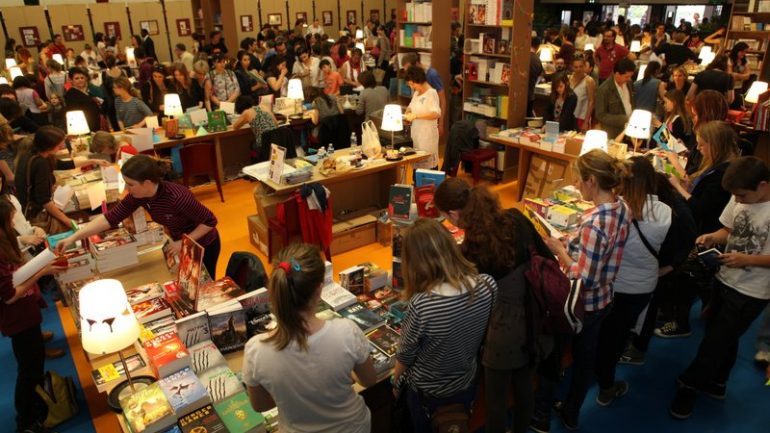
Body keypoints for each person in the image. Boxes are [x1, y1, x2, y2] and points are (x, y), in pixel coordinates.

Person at [433, 178, 553, 433]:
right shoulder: (515, 218)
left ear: (454, 214)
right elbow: (546, 257)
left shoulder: (471, 250)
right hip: (534, 318)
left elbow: (468, 303)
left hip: (502, 333)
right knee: (524, 388)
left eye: (445, 216)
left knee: (496, 400)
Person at [531, 149, 630, 431]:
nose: (576, 186)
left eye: (578, 180)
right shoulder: (621, 207)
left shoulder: (595, 224)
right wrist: (572, 240)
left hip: (579, 304)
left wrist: (560, 250)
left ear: (591, 181)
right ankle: (572, 411)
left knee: (554, 357)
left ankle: (539, 417)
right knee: (585, 358)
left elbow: (584, 276)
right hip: (604, 299)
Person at [670, 156, 770, 419]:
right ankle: (717, 383)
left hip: (752, 292)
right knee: (721, 336)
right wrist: (713, 237)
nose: (738, 201)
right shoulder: (737, 195)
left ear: (762, 185)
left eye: (742, 195)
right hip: (724, 278)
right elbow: (728, 228)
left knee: (715, 342)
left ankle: (688, 385)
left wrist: (746, 259)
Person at [242, 243, 377, 432]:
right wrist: (347, 373)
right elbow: (369, 380)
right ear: (319, 290)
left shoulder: (255, 349)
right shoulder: (346, 332)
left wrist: (290, 392)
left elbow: (260, 406)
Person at [393, 218, 497, 432]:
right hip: (466, 382)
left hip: (426, 394)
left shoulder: (421, 306)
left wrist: (395, 384)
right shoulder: (487, 285)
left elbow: (404, 358)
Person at [56, 154, 221, 277]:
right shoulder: (138, 196)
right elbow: (110, 218)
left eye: (131, 184)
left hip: (204, 244)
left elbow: (210, 221)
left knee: (204, 283)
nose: (127, 188)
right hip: (180, 242)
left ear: (147, 183)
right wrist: (73, 238)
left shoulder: (177, 197)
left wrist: (184, 242)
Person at [594, 156, 672, 405]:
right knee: (620, 333)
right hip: (643, 285)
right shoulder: (664, 212)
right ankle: (607, 379)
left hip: (614, 283)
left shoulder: (616, 211)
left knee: (604, 333)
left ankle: (603, 382)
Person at [0, 199, 65, 433]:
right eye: (9, 220)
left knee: (34, 362)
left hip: (25, 313)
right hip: (17, 317)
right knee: (29, 368)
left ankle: (37, 408)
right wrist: (42, 271)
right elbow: (9, 296)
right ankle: (26, 422)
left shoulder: (5, 244)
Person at [15, 127, 109, 233]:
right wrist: (67, 221)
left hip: (31, 208)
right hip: (38, 215)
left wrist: (93, 160)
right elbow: (44, 200)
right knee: (82, 217)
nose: (63, 146)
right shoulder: (40, 163)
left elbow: (62, 164)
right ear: (49, 146)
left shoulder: (31, 154)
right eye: (59, 144)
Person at [404, 66, 441, 170]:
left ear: (419, 80)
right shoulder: (416, 93)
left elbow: (436, 113)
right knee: (417, 167)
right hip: (416, 135)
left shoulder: (431, 93)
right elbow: (410, 107)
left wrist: (416, 116)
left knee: (427, 169)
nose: (411, 87)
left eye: (412, 84)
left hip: (427, 136)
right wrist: (406, 115)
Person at [401, 52, 446, 136]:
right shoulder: (415, 86)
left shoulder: (432, 75)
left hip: (428, 127)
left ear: (417, 64)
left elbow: (442, 100)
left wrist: (441, 124)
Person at [595, 58, 636, 139]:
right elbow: (600, 115)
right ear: (617, 74)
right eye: (627, 76)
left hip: (628, 130)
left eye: (630, 76)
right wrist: (624, 119)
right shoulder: (604, 89)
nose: (629, 79)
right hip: (613, 133)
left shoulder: (629, 84)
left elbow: (631, 103)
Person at [232, 95, 278, 159]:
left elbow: (235, 126)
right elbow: (276, 124)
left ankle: (255, 163)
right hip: (277, 142)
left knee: (252, 145)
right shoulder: (264, 107)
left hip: (263, 145)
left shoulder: (246, 112)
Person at [64, 67, 103, 132]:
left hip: (95, 123)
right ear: (71, 80)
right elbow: (74, 114)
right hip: (85, 126)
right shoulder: (70, 94)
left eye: (82, 78)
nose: (80, 80)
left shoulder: (87, 91)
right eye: (76, 78)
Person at [570, 55, 596, 131]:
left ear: (584, 66)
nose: (578, 69)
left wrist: (586, 121)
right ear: (572, 67)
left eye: (581, 66)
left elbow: (591, 102)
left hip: (582, 116)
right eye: (576, 67)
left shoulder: (589, 81)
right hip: (570, 115)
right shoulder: (568, 78)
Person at [529, 37, 545, 117]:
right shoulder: (537, 60)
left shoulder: (522, 56)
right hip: (530, 93)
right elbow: (540, 75)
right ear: (538, 46)